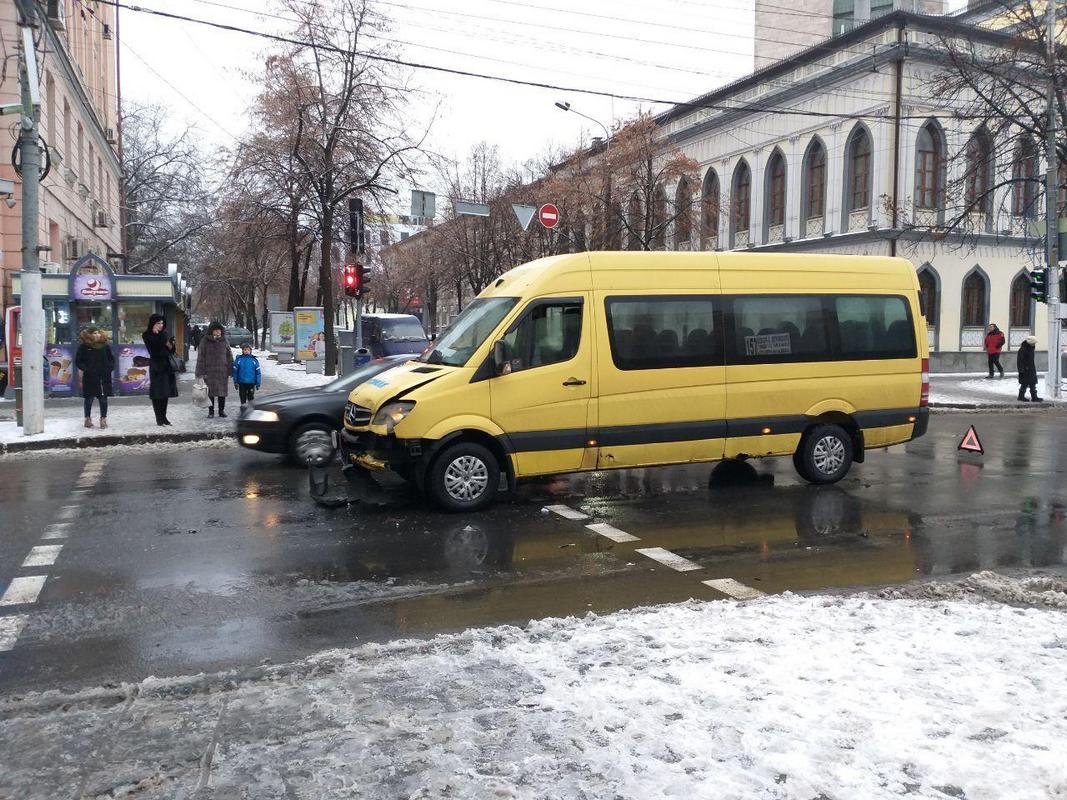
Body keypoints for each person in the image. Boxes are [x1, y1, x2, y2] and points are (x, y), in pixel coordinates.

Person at [74, 326, 115, 428]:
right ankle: (87, 419)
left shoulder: (105, 346)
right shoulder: (84, 347)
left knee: (103, 399)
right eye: (94, 333)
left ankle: (103, 419)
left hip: (103, 377)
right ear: (89, 335)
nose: (97, 335)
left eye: (98, 333)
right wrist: (87, 369)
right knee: (89, 399)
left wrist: (109, 368)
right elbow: (78, 361)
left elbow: (112, 360)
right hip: (90, 377)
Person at [143, 314, 178, 425]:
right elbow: (153, 351)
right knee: (157, 394)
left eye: (162, 323)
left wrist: (171, 345)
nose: (161, 325)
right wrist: (162, 341)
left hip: (167, 367)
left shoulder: (165, 334)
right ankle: (159, 418)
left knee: (165, 393)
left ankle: (164, 417)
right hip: (156, 367)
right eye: (158, 323)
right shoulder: (147, 335)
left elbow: (171, 351)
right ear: (153, 323)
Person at [196, 321, 233, 417]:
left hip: (222, 371)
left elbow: (229, 355)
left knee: (222, 393)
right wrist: (200, 372)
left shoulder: (224, 340)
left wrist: (230, 369)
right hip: (209, 371)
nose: (218, 332)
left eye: (219, 330)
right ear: (211, 331)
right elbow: (201, 357)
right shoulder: (205, 341)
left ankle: (221, 411)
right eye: (216, 330)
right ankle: (211, 412)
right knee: (210, 393)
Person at [232, 343, 261, 410]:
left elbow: (258, 373)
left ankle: (251, 409)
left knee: (251, 397)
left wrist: (258, 383)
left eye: (248, 350)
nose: (246, 351)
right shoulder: (239, 360)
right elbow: (235, 372)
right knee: (242, 396)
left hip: (251, 382)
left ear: (250, 351)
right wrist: (235, 382)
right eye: (245, 350)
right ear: (242, 351)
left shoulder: (254, 360)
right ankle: (243, 409)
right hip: (242, 383)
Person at [1017, 335, 1041, 402]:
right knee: (1024, 384)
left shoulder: (1031, 348)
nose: (1034, 344)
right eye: (1034, 343)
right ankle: (1021, 397)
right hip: (1025, 370)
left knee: (1032, 383)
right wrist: (1021, 370)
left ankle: (1034, 397)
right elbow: (1020, 361)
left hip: (1031, 368)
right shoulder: (1023, 349)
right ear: (1030, 343)